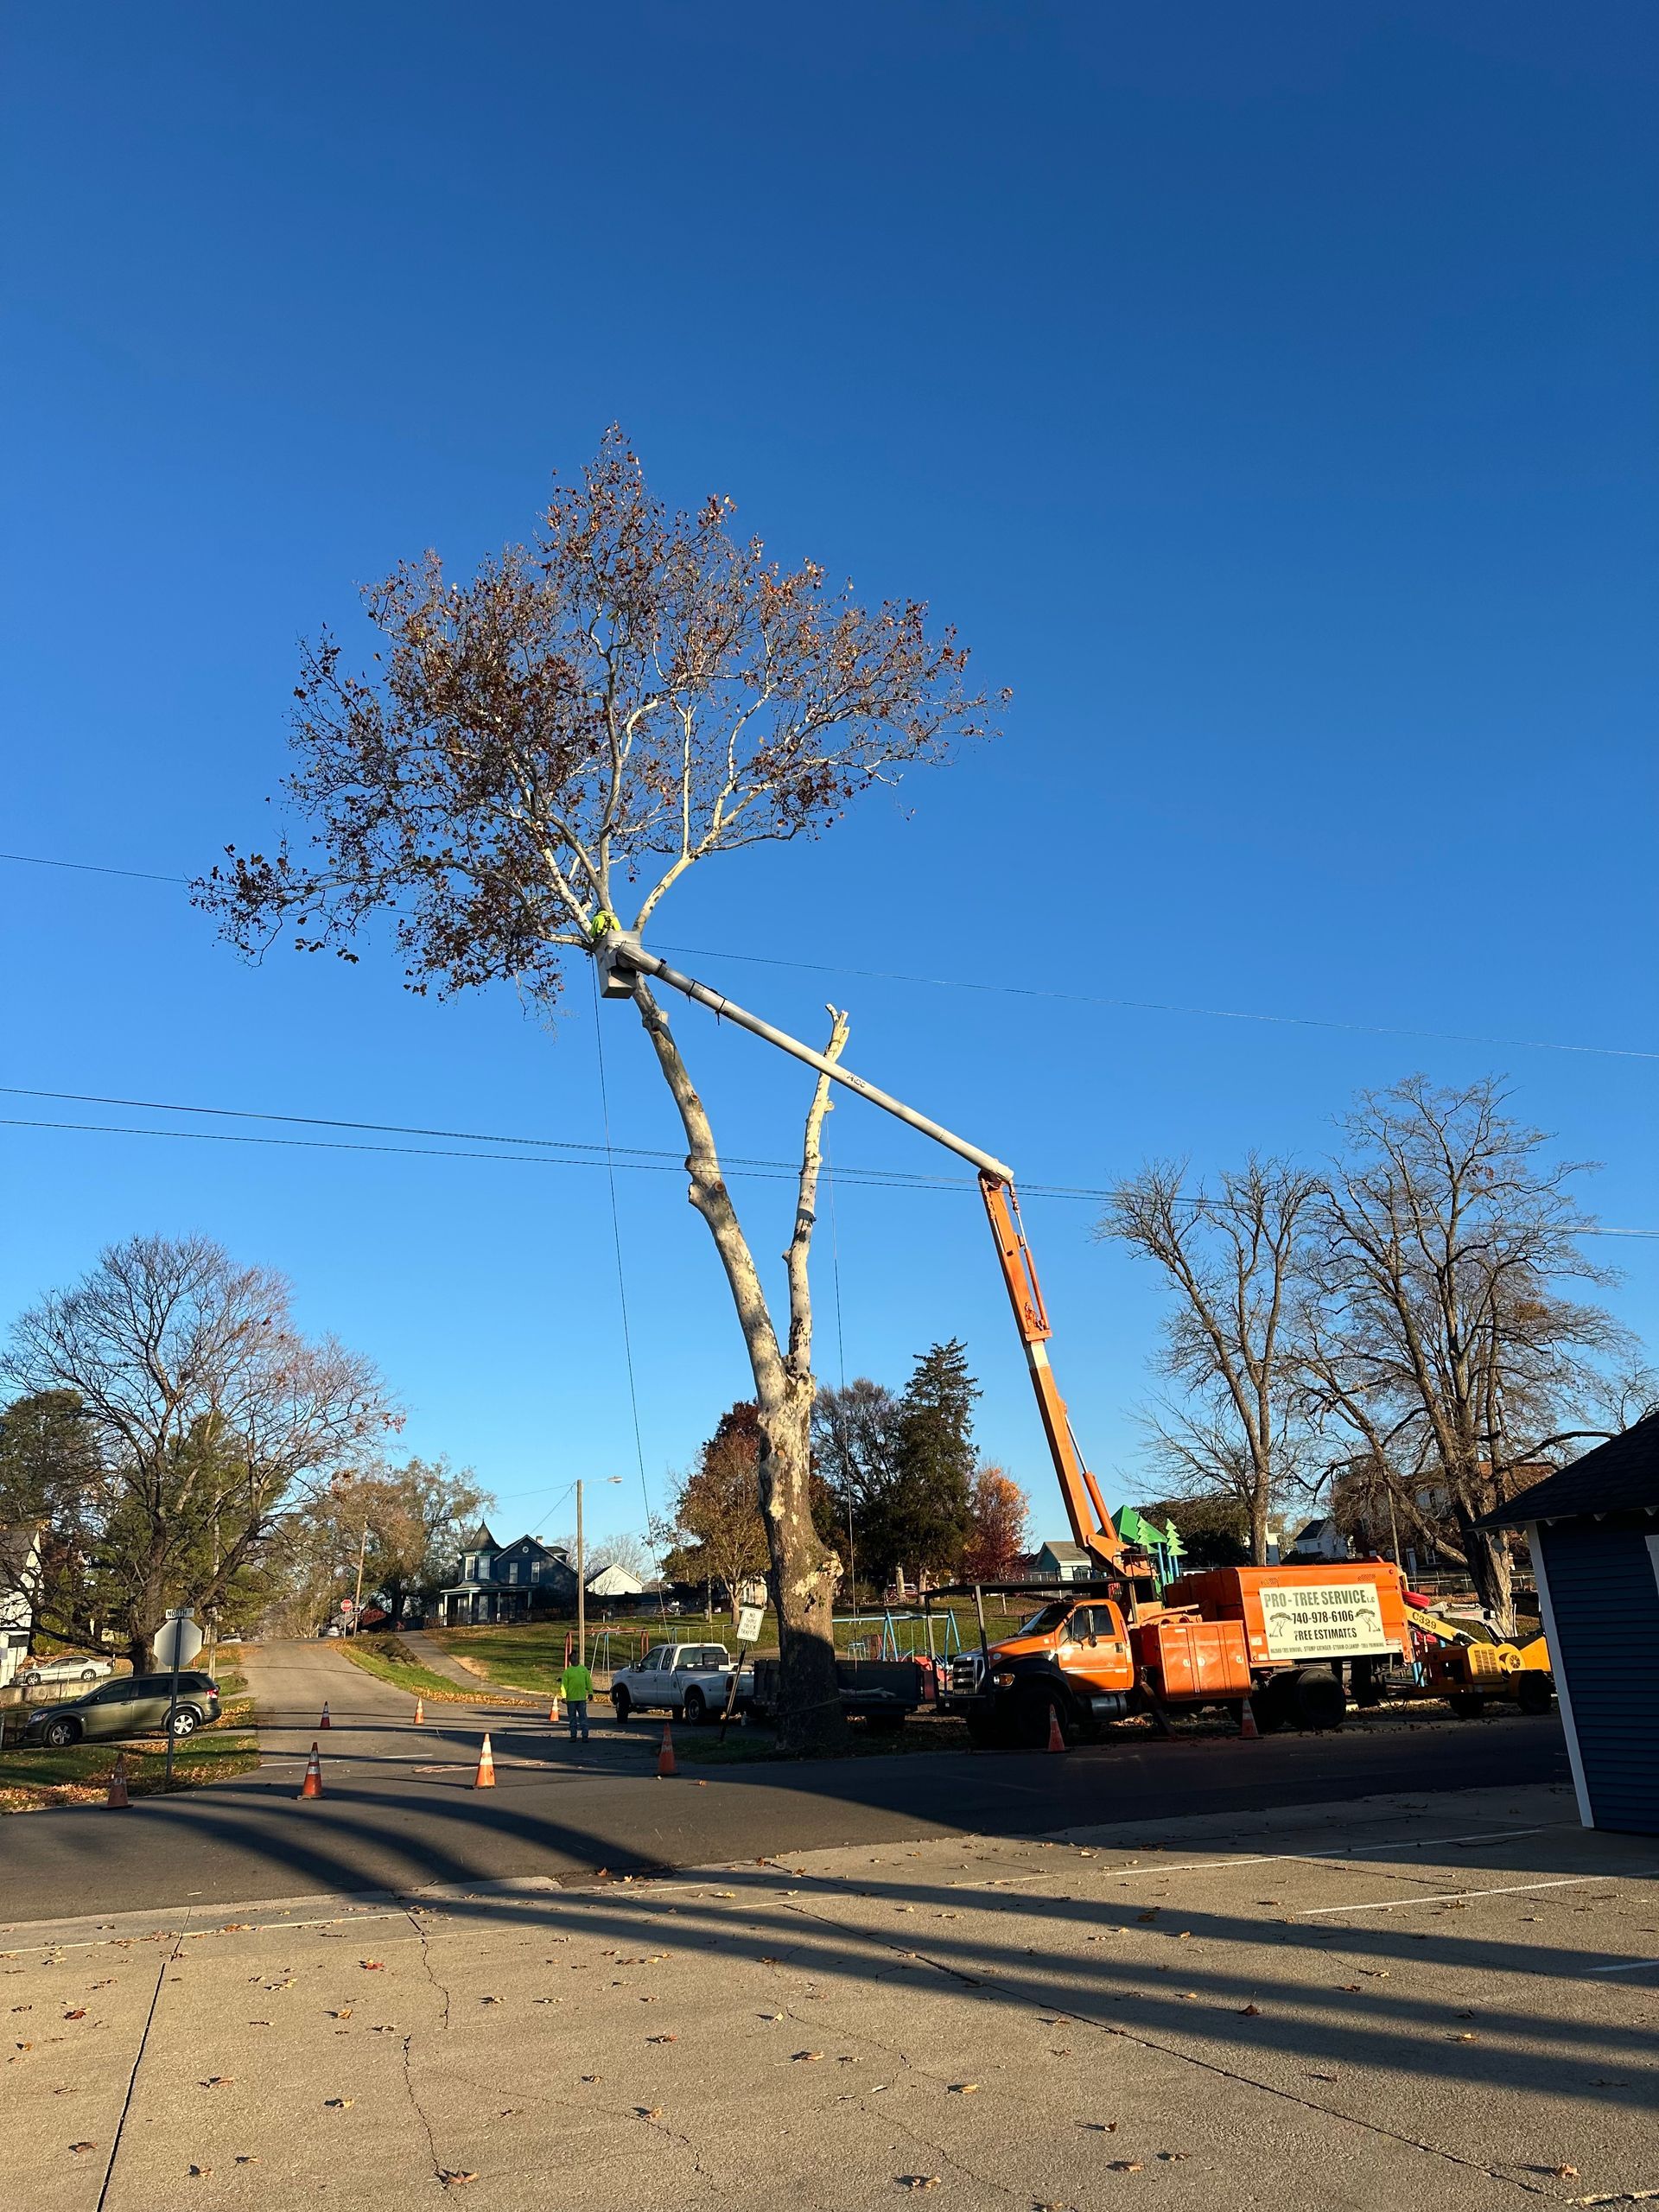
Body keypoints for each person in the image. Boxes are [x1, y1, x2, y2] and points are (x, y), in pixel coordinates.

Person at [561, 1656, 593, 1743]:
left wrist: (590, 1692)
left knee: (583, 1717)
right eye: (572, 1658)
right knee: (572, 1718)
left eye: (576, 1658)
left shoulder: (584, 1670)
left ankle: (585, 1735)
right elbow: (564, 1685)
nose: (574, 1660)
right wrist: (563, 1696)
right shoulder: (567, 1672)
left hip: (581, 1699)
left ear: (577, 1659)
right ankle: (573, 1735)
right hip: (571, 1699)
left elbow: (588, 1682)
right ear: (570, 1660)